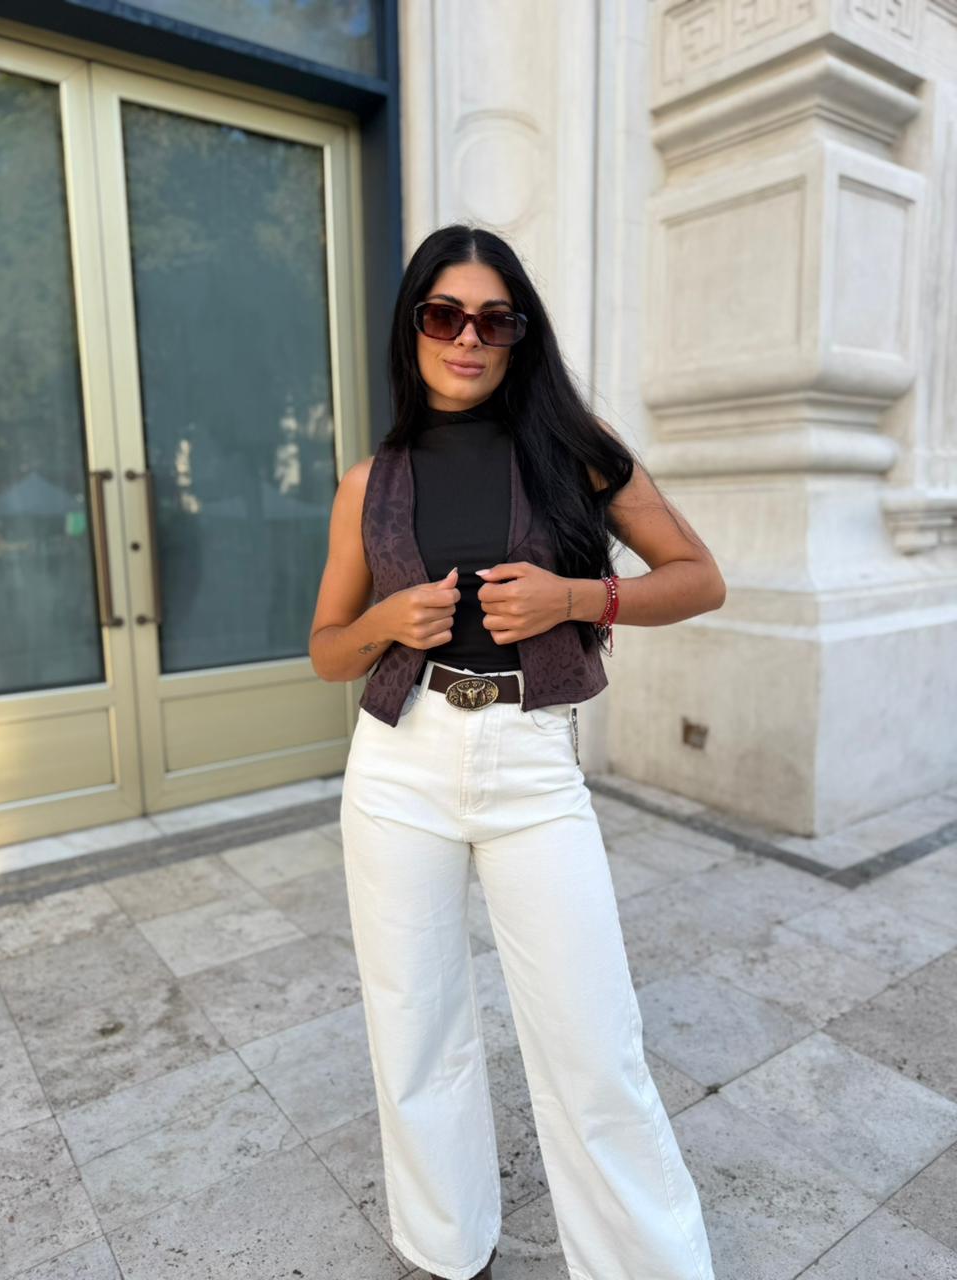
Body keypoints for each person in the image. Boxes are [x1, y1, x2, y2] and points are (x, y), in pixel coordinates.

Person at [309, 224, 725, 1280]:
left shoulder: (576, 448)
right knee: (416, 1025)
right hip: (399, 762)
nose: (468, 338)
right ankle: (447, 1250)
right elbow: (325, 650)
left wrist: (577, 597)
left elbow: (698, 577)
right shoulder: (369, 482)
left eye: (494, 321)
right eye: (444, 315)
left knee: (594, 1042)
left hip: (532, 762)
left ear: (519, 335)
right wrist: (385, 621)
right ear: (411, 326)